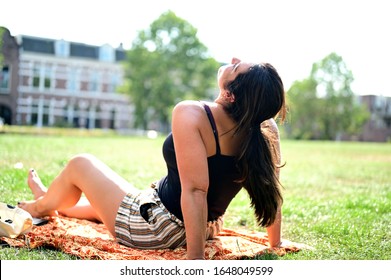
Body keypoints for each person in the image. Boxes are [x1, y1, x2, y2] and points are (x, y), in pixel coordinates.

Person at [19, 57, 287, 260]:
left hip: (156, 228)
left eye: (236, 67)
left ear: (230, 94)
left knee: (80, 163)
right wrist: (275, 244)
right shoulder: (264, 128)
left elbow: (195, 191)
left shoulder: (192, 114)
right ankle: (50, 200)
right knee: (97, 207)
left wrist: (196, 263)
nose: (233, 60)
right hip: (206, 227)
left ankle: (38, 208)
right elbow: (270, 189)